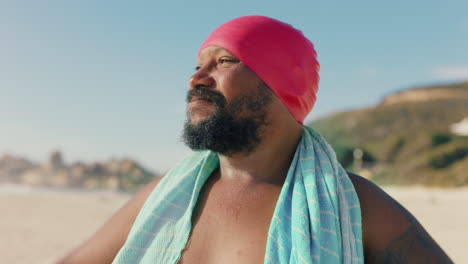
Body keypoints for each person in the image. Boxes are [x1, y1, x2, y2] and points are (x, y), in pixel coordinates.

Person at [58, 16, 452, 264]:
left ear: (285, 83)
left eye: (224, 61)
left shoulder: (357, 206)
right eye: (198, 65)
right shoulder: (162, 196)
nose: (196, 78)